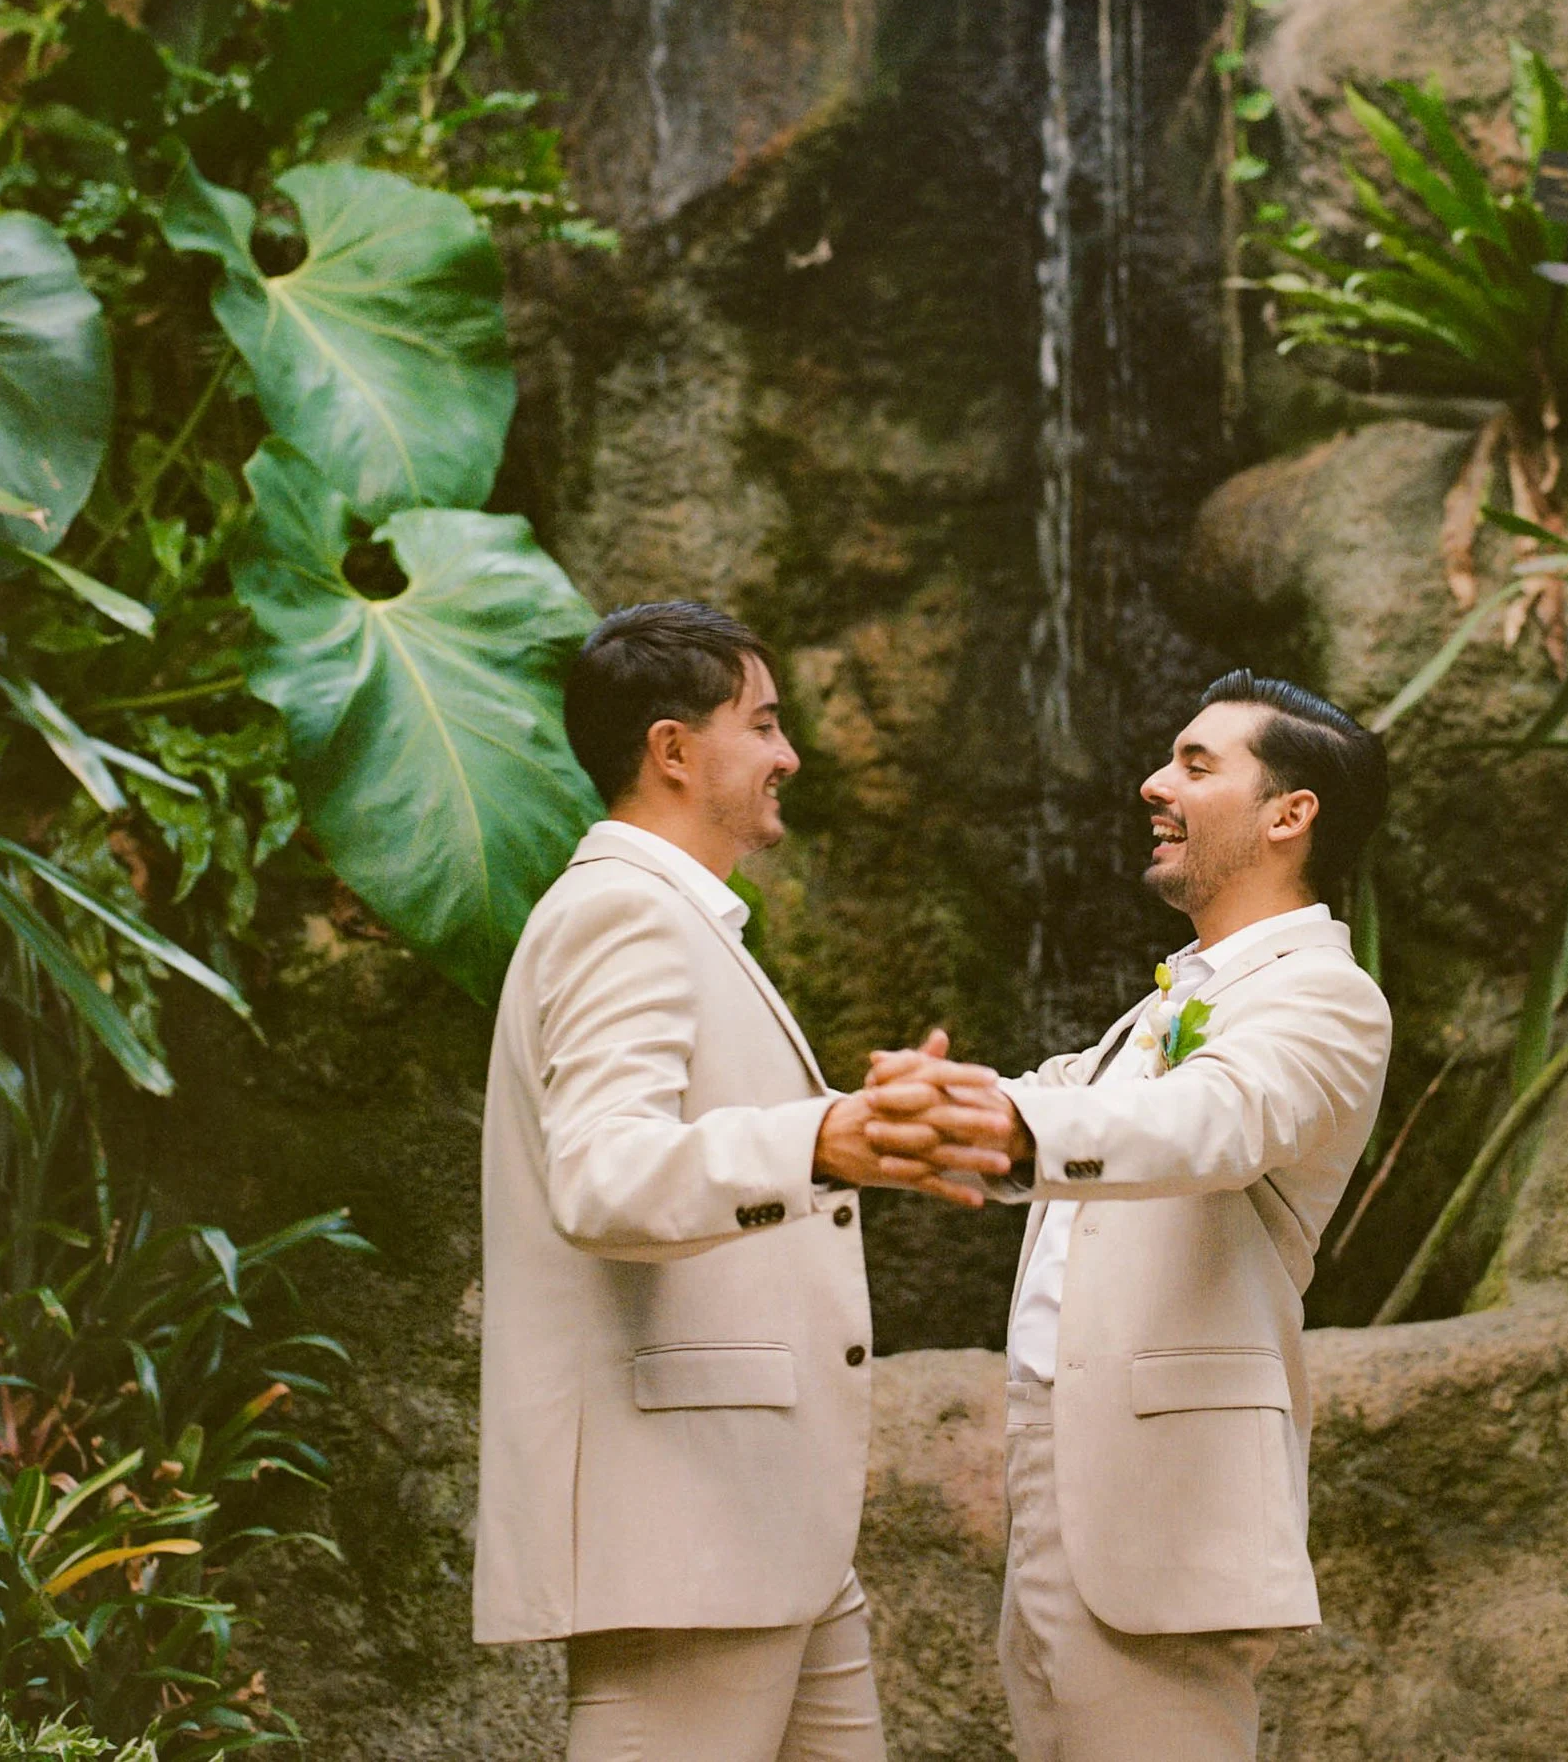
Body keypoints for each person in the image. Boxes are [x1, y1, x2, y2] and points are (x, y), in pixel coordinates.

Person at [472, 600, 1012, 1762]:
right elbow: (602, 1178)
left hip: (767, 1534)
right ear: (672, 749)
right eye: (763, 725)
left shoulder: (674, 917)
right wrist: (818, 1140)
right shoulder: (623, 912)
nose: (790, 754)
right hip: (685, 1538)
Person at [865, 672, 1394, 1762]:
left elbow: (1214, 1116)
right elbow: (1061, 1095)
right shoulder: (1164, 1002)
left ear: (1291, 815)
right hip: (1062, 1478)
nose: (1154, 782)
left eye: (1197, 765)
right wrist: (894, 1116)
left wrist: (1011, 1125)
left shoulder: (1325, 996)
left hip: (1163, 1518)